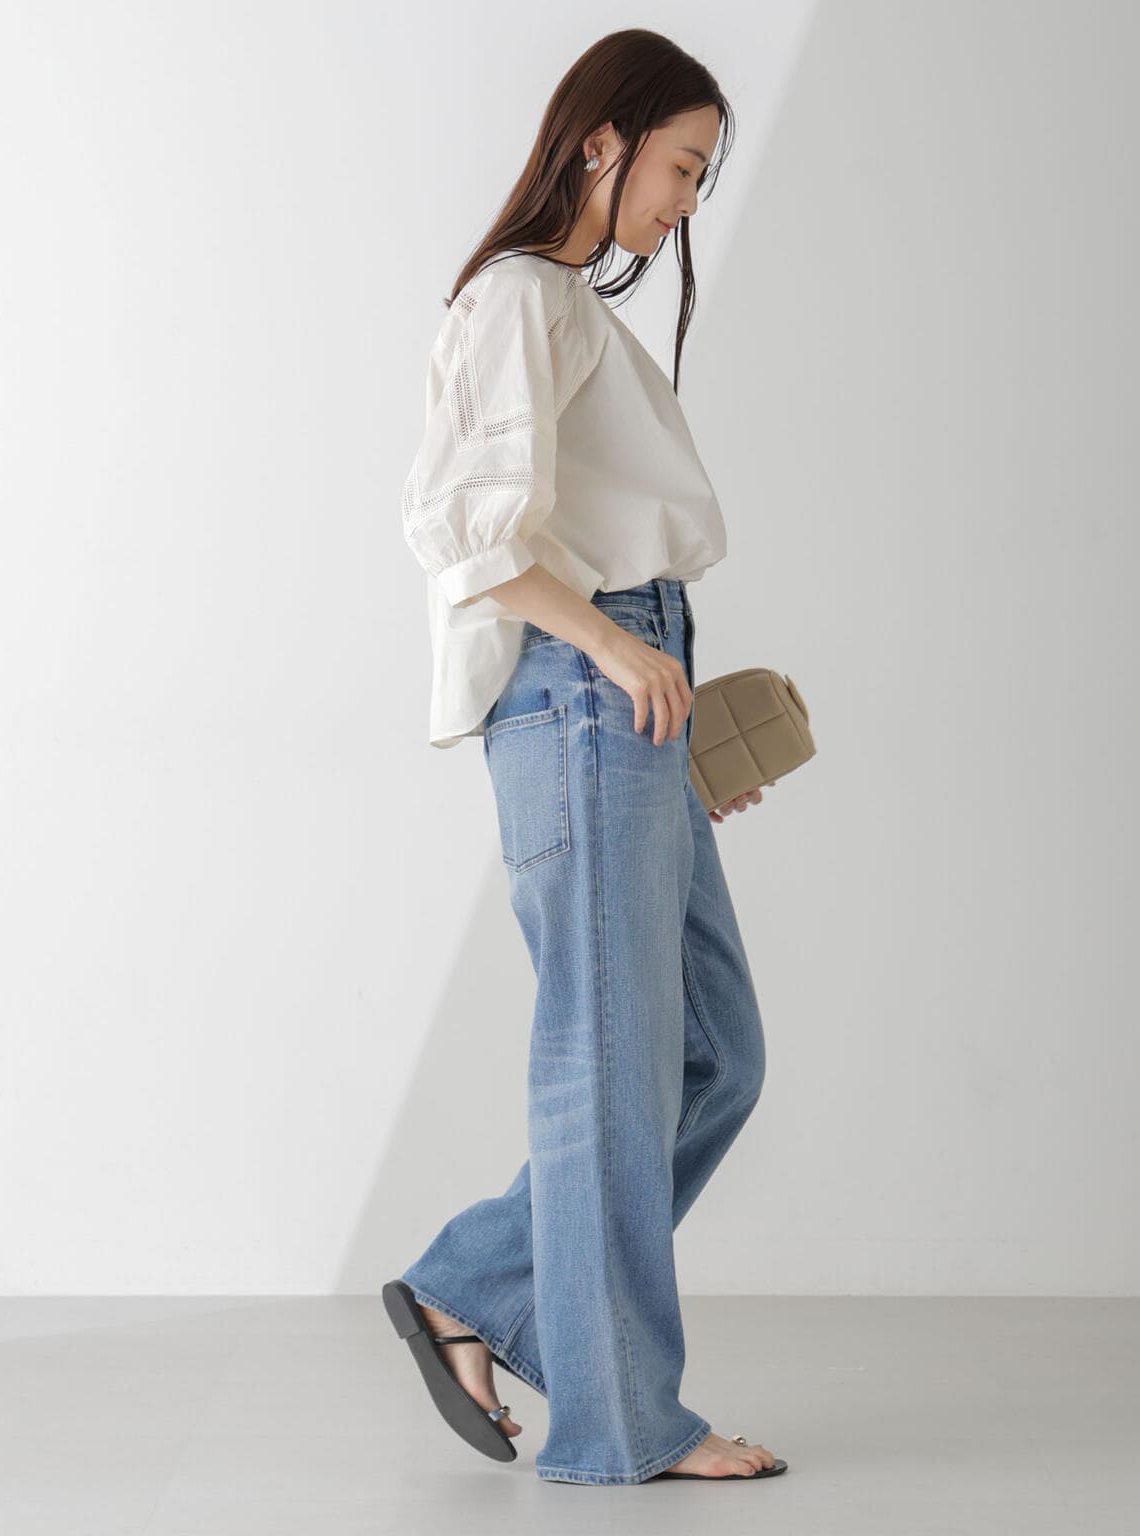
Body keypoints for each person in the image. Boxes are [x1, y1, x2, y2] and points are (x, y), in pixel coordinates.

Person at [386, 27, 786, 1488]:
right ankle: (620, 1422)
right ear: (602, 141)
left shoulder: (562, 308)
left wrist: (664, 701)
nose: (686, 203)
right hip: (581, 689)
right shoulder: (514, 297)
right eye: (681, 165)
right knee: (612, 1066)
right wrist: (617, 654)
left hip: (628, 693)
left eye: (704, 178)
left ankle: (475, 1288)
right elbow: (463, 533)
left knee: (712, 1055)